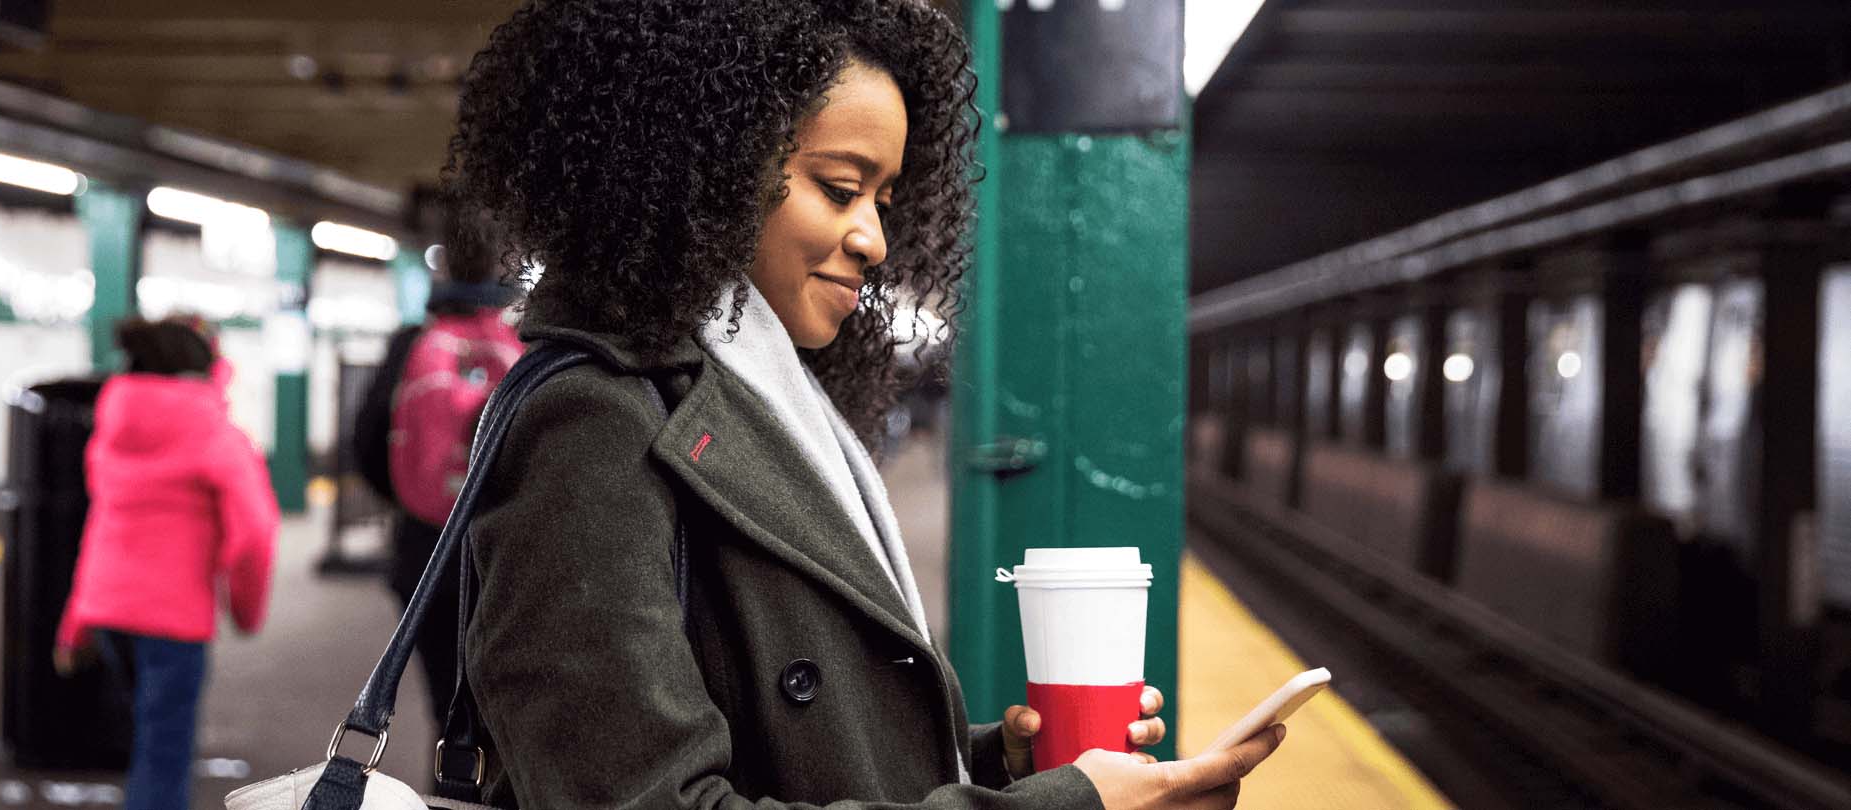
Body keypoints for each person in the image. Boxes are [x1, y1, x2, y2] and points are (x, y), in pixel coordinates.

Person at [443, 1, 1286, 808]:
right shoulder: (593, 424)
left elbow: (804, 745)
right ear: (707, 169)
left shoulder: (773, 406)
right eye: (839, 189)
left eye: (883, 202)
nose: (875, 241)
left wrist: (1003, 766)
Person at [53, 317, 279, 810]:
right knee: (164, 753)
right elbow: (255, 532)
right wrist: (245, 609)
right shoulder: (216, 433)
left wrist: (76, 621)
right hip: (173, 622)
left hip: (110, 615)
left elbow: (100, 528)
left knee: (148, 736)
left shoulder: (113, 425)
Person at [348, 194, 522, 769]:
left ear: (443, 266)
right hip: (509, 559)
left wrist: (417, 500)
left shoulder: (411, 345)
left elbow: (368, 448)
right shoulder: (527, 346)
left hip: (425, 557)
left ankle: (450, 790)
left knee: (448, 715)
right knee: (511, 713)